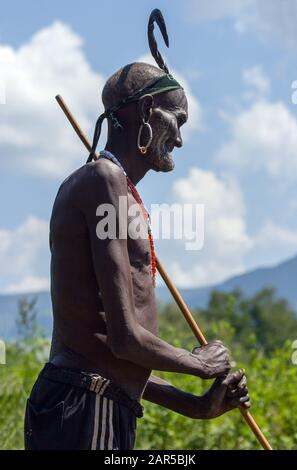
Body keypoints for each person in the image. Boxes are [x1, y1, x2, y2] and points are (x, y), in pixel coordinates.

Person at [24, 10, 250, 451]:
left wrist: (197, 406)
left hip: (99, 404)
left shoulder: (117, 190)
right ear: (148, 110)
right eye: (177, 120)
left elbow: (111, 354)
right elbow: (125, 340)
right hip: (85, 405)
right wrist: (198, 363)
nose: (180, 140)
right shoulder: (103, 180)